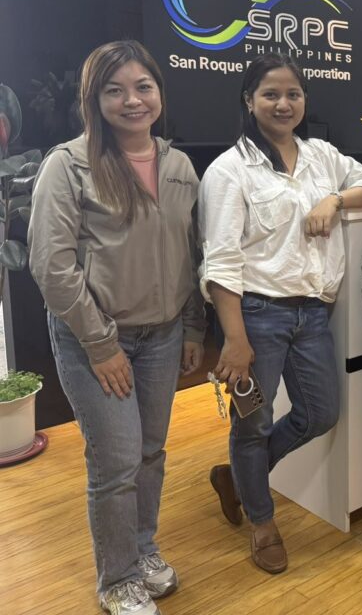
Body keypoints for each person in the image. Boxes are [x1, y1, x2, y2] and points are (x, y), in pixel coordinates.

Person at [28, 40, 206, 615]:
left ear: (159, 92)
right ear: (93, 99)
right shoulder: (68, 164)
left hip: (164, 335)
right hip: (95, 339)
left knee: (150, 452)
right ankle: (117, 577)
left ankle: (143, 548)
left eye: (142, 87)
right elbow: (51, 266)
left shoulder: (179, 166)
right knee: (116, 460)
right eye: (115, 90)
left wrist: (194, 327)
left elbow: (191, 254)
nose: (132, 100)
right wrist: (101, 344)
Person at [199, 53, 362, 574]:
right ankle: (262, 523)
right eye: (271, 94)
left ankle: (237, 479)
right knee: (252, 424)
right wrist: (234, 339)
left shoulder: (321, 156)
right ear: (249, 100)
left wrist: (334, 199)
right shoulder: (230, 170)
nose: (283, 104)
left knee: (320, 414)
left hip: (313, 314)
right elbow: (221, 262)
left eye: (293, 94)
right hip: (258, 314)